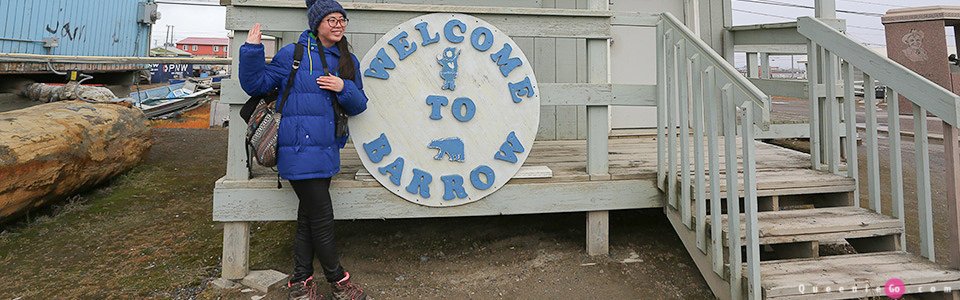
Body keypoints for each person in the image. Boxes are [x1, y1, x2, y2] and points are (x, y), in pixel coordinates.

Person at [238, 0, 368, 299]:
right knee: (321, 216)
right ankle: (339, 281)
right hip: (296, 151)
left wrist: (342, 87)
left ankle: (300, 283)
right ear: (317, 23)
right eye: (331, 20)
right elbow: (256, 85)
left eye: (342, 20)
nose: (338, 25)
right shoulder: (292, 55)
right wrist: (252, 51)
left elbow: (359, 104)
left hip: (327, 152)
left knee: (309, 218)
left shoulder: (347, 60)